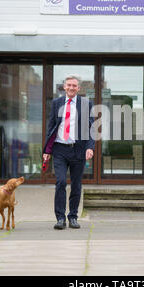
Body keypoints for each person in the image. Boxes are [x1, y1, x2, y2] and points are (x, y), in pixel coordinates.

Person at [43, 75, 95, 230]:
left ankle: (73, 216)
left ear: (78, 88)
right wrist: (47, 150)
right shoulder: (56, 103)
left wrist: (90, 147)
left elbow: (91, 128)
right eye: (69, 85)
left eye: (74, 86)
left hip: (78, 149)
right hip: (59, 149)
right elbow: (51, 126)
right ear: (64, 87)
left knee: (76, 185)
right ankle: (60, 218)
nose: (71, 88)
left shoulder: (86, 104)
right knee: (60, 182)